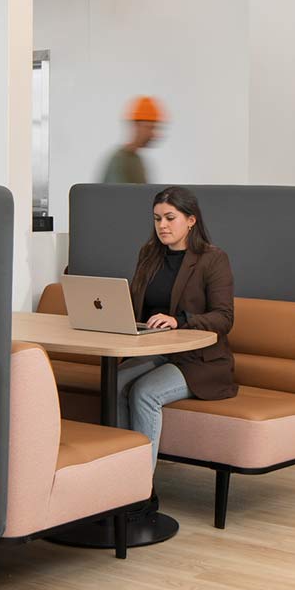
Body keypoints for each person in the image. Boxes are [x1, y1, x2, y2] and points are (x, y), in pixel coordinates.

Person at [115, 185, 237, 466]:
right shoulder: (149, 255)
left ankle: (142, 484)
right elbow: (137, 304)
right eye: (157, 218)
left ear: (191, 220)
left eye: (170, 218)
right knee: (116, 383)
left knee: (145, 392)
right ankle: (120, 473)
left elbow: (224, 317)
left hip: (199, 360)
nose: (162, 225)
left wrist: (180, 320)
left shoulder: (213, 259)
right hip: (156, 350)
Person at [99, 97, 164, 184]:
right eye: (149, 127)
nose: (153, 134)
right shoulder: (120, 160)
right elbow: (114, 191)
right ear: (136, 126)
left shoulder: (136, 160)